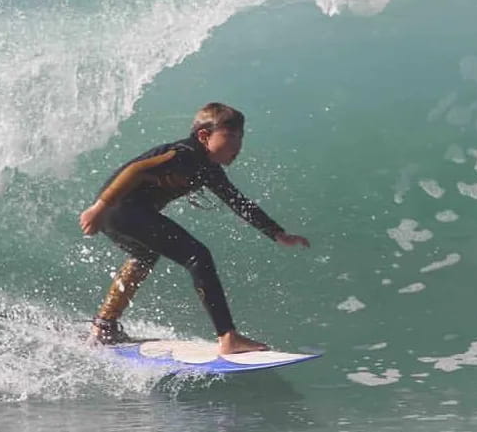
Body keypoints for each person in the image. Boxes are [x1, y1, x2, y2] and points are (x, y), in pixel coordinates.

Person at [79, 102, 309, 354]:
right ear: (204, 135)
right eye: (230, 137)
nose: (237, 146)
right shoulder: (184, 154)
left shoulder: (208, 169)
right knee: (197, 255)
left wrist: (276, 233)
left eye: (240, 138)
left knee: (145, 255)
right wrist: (98, 208)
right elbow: (135, 170)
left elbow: (238, 202)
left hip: (118, 212)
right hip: (118, 208)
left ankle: (104, 325)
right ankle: (228, 337)